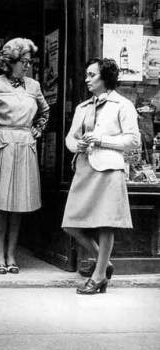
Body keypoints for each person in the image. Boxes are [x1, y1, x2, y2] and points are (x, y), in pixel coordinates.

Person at [62, 58, 140, 294]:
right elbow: (70, 138)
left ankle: (98, 277)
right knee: (70, 224)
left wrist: (100, 140)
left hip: (108, 168)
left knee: (106, 225)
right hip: (85, 167)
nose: (87, 79)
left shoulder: (122, 105)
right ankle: (104, 262)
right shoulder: (83, 107)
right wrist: (78, 146)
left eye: (92, 75)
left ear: (105, 78)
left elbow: (133, 140)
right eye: (86, 74)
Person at [0, 38, 50, 274]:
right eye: (24, 62)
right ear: (10, 63)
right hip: (1, 145)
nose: (27, 66)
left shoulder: (34, 86)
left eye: (29, 62)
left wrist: (38, 129)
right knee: (1, 206)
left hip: (25, 144)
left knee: (18, 205)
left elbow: (45, 111)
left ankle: (11, 255)